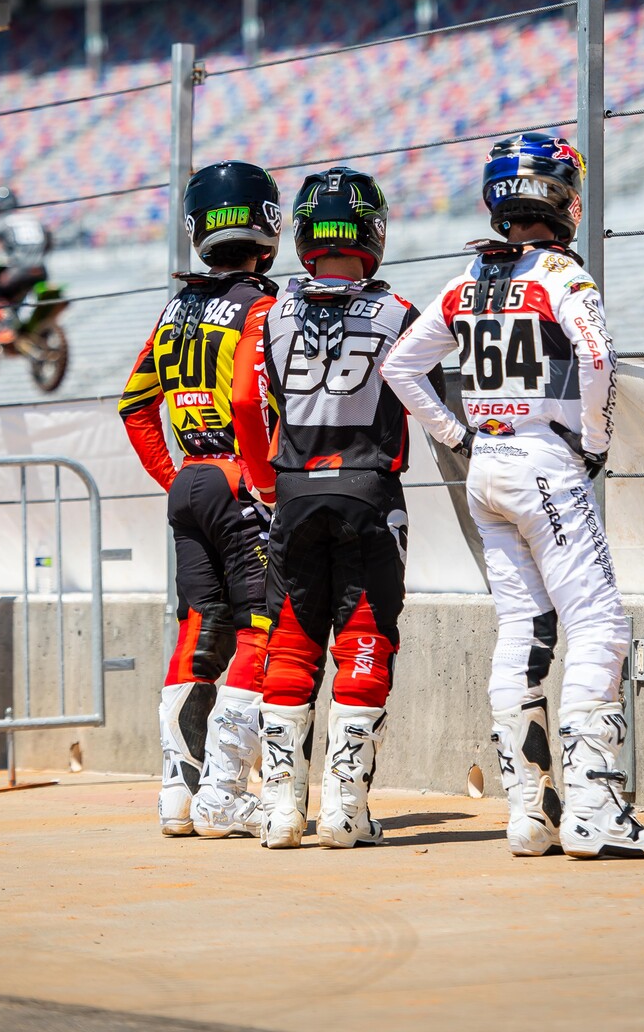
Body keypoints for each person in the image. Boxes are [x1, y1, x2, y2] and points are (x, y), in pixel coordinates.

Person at [380, 133, 644, 859]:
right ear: (562, 197)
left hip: (485, 466)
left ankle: (528, 815)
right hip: (545, 461)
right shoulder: (561, 275)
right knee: (599, 624)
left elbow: (401, 367)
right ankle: (594, 812)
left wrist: (456, 435)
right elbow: (598, 355)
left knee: (521, 627)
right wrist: (594, 440)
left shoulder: (466, 279)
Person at [258, 166, 448, 850]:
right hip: (370, 490)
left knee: (290, 640)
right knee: (366, 636)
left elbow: (256, 400)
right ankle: (345, 809)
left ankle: (281, 811)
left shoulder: (272, 313)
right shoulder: (401, 312)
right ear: (373, 232)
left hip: (293, 490)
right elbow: (432, 396)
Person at [119, 161, 282, 839]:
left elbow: (134, 406)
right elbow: (248, 400)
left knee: (197, 629)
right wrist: (261, 483)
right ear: (268, 226)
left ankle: (176, 796)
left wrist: (176, 479)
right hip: (241, 481)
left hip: (189, 483)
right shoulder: (263, 306)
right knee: (260, 629)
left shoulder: (175, 308)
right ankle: (224, 794)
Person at [0, 186, 52, 339]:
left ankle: (6, 327)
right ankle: (20, 324)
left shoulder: (4, 221)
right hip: (41, 270)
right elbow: (49, 240)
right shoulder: (32, 219)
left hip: (19, 271)